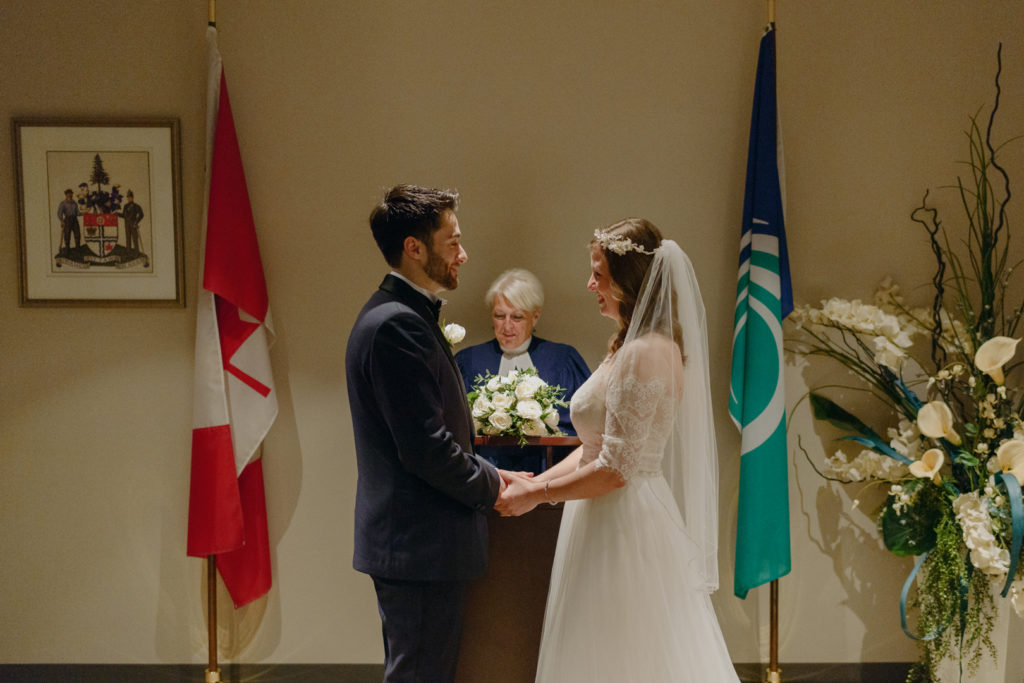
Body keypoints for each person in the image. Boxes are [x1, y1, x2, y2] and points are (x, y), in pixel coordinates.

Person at [496, 218, 739, 682]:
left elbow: (615, 470)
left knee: (624, 651)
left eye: (599, 274)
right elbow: (594, 447)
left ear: (629, 279)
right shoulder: (626, 346)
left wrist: (538, 498)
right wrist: (534, 481)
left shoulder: (645, 352)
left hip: (624, 521)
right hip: (603, 513)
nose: (591, 285)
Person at [346, 184, 514, 683]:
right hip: (418, 543)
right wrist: (496, 485)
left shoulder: (403, 315)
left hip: (418, 542)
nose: (463, 254)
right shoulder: (397, 324)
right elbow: (425, 448)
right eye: (452, 242)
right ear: (414, 248)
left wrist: (490, 472)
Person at [455, 268, 591, 473]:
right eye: (499, 316)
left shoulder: (562, 359)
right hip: (485, 475)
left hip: (548, 473)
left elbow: (586, 424)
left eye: (517, 317)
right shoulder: (469, 361)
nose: (507, 326)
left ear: (535, 317)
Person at [57, 188, 81, 255]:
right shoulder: (63, 203)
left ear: (72, 194)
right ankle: (67, 250)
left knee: (77, 234)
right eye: (68, 194)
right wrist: (61, 220)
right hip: (67, 220)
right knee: (67, 235)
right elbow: (59, 213)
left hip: (74, 219)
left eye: (71, 194)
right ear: (66, 195)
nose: (70, 195)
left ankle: (78, 249)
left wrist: (84, 212)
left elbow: (78, 213)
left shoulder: (74, 203)